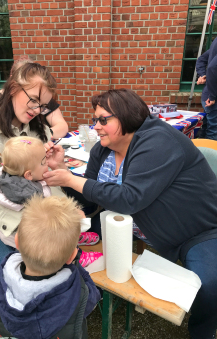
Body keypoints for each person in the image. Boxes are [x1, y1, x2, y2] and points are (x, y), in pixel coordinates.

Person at [44, 88, 217, 339]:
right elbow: (91, 203)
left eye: (103, 119)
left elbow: (130, 198)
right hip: (131, 226)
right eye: (95, 120)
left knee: (210, 285)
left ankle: (201, 333)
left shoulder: (158, 140)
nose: (97, 127)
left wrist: (72, 179)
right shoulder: (101, 150)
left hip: (196, 230)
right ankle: (72, 302)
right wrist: (62, 171)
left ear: (126, 117)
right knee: (64, 244)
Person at [0, 62, 57, 271]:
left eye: (43, 106)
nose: (37, 110)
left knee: (54, 265)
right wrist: (26, 223)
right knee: (15, 274)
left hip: (33, 215)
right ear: (13, 88)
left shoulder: (42, 131)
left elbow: (49, 183)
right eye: (33, 101)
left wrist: (58, 169)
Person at [0, 195, 101, 339]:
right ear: (71, 256)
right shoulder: (76, 291)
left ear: (17, 242)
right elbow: (93, 297)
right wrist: (75, 263)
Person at [0, 135, 102, 265]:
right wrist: (73, 216)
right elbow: (51, 219)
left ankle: (74, 238)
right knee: (57, 241)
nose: (47, 163)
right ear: (28, 175)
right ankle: (76, 256)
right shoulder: (29, 195)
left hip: (21, 233)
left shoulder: (13, 179)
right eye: (43, 162)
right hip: (37, 240)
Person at [0, 57, 69, 139]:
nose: (38, 111)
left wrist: (43, 137)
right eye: (33, 100)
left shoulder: (43, 98)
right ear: (12, 81)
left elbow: (62, 126)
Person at [196, 37, 217, 140]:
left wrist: (202, 75)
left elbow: (201, 60)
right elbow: (213, 67)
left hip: (208, 95)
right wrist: (213, 96)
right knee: (213, 133)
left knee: (206, 129)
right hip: (212, 99)